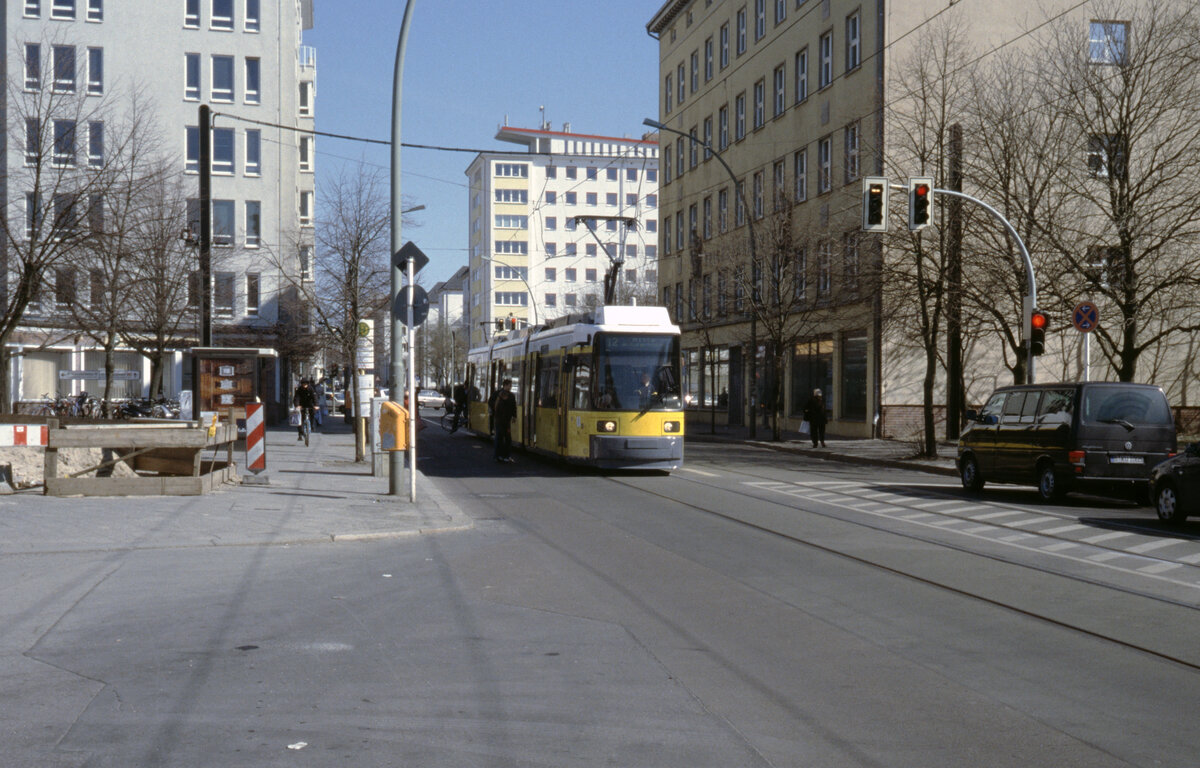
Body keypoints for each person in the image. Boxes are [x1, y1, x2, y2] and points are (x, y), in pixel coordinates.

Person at [493, 378, 517, 463]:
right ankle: (500, 455)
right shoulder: (499, 394)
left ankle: (503, 455)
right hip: (500, 420)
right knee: (500, 438)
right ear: (505, 385)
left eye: (511, 386)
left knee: (506, 438)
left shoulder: (510, 396)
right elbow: (492, 404)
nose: (510, 387)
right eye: (509, 385)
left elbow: (513, 407)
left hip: (505, 420)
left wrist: (514, 416)